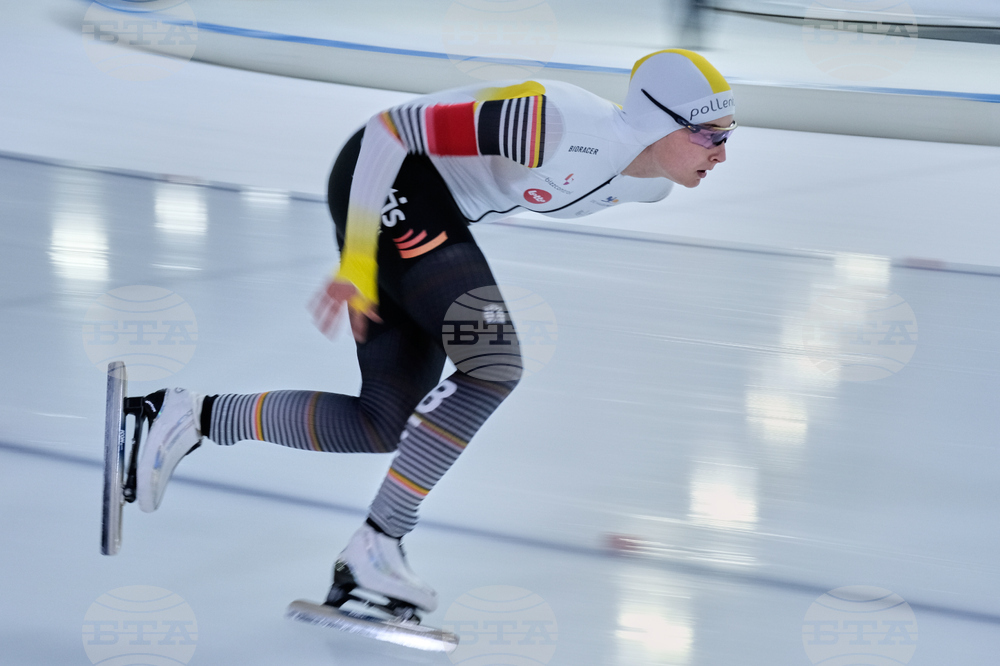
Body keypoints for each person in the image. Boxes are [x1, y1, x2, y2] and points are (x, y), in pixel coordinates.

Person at [134, 49, 736, 618]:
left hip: (432, 212)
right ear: (662, 122)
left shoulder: (648, 182)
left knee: (382, 422)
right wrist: (360, 260)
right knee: (494, 362)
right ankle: (378, 545)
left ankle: (189, 416)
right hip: (389, 178)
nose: (723, 153)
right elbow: (390, 132)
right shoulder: (549, 124)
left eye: (729, 136)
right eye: (712, 135)